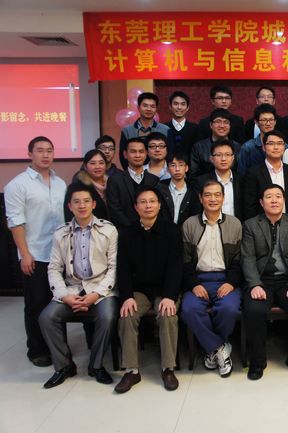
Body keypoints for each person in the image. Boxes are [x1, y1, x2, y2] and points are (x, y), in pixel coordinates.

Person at [39, 183, 118, 388]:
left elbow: (113, 268)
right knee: (47, 317)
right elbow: (54, 268)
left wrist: (96, 295)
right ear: (70, 206)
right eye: (77, 202)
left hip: (101, 288)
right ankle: (64, 366)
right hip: (72, 288)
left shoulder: (109, 230)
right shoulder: (61, 233)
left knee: (108, 316)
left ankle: (96, 365)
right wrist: (64, 295)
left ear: (93, 204)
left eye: (86, 201)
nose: (82, 205)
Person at [4, 136, 67, 366]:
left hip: (59, 254)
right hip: (36, 254)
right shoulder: (17, 185)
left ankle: (58, 347)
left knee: (59, 302)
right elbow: (15, 222)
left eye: (49, 150)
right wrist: (25, 253)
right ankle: (37, 350)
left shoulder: (60, 183)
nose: (45, 155)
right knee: (36, 304)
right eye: (40, 150)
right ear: (29, 154)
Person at [114, 186, 183, 393]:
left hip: (165, 289)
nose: (148, 206)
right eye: (143, 202)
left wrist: (170, 296)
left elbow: (176, 266)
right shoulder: (127, 233)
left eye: (152, 201)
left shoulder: (171, 230)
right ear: (136, 207)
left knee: (167, 315)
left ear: (159, 205)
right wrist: (127, 296)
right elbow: (123, 269)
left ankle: (168, 368)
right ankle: (131, 370)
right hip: (139, 290)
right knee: (127, 315)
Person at [241, 185, 288, 380]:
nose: (274, 200)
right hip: (261, 280)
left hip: (286, 280)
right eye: (269, 197)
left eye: (278, 196)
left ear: (284, 200)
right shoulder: (251, 225)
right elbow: (247, 258)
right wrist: (255, 284)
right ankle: (257, 362)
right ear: (261, 202)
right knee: (254, 310)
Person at [181, 180, 242, 378]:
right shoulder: (190, 224)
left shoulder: (234, 224)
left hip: (225, 279)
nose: (213, 199)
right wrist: (194, 284)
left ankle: (211, 350)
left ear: (223, 198)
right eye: (208, 195)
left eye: (217, 195)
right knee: (189, 309)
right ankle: (219, 348)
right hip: (198, 279)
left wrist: (231, 282)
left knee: (229, 309)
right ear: (200, 198)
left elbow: (239, 260)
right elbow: (185, 261)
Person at [242, 130, 288, 220]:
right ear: (263, 147)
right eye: (271, 143)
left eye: (280, 143)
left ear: (284, 147)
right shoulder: (253, 173)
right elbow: (250, 205)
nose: (276, 147)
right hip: (262, 223)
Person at [106, 137, 160, 229]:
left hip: (152, 230)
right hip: (125, 231)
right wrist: (133, 228)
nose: (137, 155)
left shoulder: (154, 180)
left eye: (141, 152)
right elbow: (114, 210)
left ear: (146, 154)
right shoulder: (115, 180)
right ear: (125, 154)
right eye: (133, 151)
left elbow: (158, 207)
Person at [119, 92, 172, 169]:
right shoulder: (127, 130)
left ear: (156, 109)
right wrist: (131, 173)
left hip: (159, 173)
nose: (149, 109)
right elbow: (123, 156)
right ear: (138, 107)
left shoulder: (165, 130)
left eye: (152, 106)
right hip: (134, 172)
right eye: (145, 106)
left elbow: (170, 154)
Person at [195, 139, 243, 220]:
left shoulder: (242, 180)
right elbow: (197, 210)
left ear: (233, 158)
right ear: (211, 159)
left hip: (237, 225)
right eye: (219, 155)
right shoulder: (201, 182)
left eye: (227, 154)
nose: (223, 159)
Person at [190, 109, 240, 179]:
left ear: (230, 125)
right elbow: (193, 175)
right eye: (218, 122)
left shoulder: (238, 147)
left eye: (226, 122)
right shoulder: (199, 147)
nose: (222, 126)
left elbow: (240, 173)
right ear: (211, 125)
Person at [157, 150, 202, 226]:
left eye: (181, 165)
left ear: (186, 168)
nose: (177, 169)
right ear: (167, 169)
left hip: (187, 230)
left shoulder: (194, 190)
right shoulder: (160, 188)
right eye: (173, 165)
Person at [65, 149, 110, 221]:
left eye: (101, 163)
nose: (97, 166)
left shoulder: (113, 183)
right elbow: (70, 215)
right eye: (93, 163)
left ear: (106, 165)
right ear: (85, 166)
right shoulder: (78, 186)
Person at [237, 104, 281, 176]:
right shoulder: (247, 148)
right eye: (264, 120)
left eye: (271, 120)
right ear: (256, 122)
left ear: (275, 121)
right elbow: (241, 174)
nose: (268, 123)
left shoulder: (283, 147)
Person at [165, 90, 199, 157]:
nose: (179, 107)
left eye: (183, 104)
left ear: (187, 107)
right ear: (170, 107)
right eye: (176, 104)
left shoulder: (196, 129)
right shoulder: (164, 128)